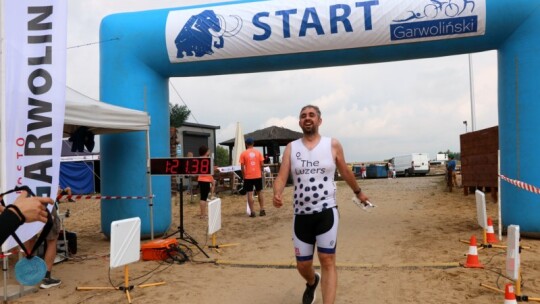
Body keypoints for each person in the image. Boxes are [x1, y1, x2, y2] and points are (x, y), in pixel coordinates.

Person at [273, 105, 370, 304]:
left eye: (311, 115)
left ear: (319, 120)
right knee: (303, 265)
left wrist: (359, 192)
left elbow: (345, 171)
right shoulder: (292, 147)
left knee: (327, 260)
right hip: (301, 214)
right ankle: (311, 281)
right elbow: (282, 176)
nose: (307, 118)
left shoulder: (332, 144)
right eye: (303, 116)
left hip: (327, 211)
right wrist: (277, 193)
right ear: (300, 122)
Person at [239, 137, 265, 217]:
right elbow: (262, 165)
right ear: (253, 144)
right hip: (257, 175)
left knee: (250, 193)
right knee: (259, 192)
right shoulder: (258, 153)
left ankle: (252, 211)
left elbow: (242, 167)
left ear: (246, 144)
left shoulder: (243, 154)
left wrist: (244, 176)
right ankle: (262, 209)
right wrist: (261, 172)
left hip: (248, 176)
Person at [197, 145, 214, 219]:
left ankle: (203, 214)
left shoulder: (198, 159)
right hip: (206, 180)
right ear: (206, 152)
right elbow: (208, 172)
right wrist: (212, 180)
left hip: (200, 180)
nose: (209, 151)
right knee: (203, 198)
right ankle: (202, 215)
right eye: (208, 150)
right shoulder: (208, 160)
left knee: (203, 197)